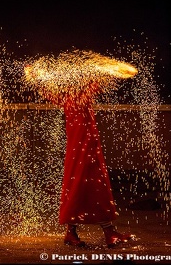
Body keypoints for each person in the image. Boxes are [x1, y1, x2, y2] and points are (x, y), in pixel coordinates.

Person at [40, 82, 133, 248]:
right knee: (90, 188)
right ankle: (107, 232)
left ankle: (76, 232)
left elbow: (48, 92)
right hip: (84, 150)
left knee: (80, 187)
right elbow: (97, 86)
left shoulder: (68, 97)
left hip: (81, 150)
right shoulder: (77, 97)